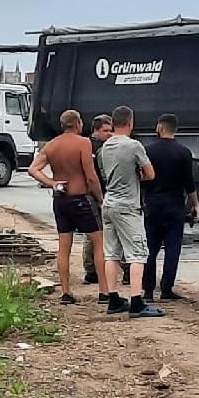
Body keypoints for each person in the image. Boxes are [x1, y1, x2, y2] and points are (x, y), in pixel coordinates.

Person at [28, 109, 106, 304]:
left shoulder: (52, 145)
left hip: (61, 199)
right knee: (98, 242)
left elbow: (33, 169)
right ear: (78, 124)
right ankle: (104, 291)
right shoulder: (83, 143)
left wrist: (51, 182)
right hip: (82, 198)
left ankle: (66, 292)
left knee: (64, 246)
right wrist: (100, 198)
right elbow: (90, 175)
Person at [95, 105, 163, 318]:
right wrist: (137, 175)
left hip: (108, 204)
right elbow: (150, 174)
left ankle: (113, 298)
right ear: (131, 122)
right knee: (137, 254)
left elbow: (105, 175)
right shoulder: (134, 146)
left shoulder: (104, 147)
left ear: (113, 123)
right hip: (127, 205)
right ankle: (136, 301)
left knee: (112, 253)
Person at [140, 113, 199, 303]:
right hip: (174, 205)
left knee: (150, 248)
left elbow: (142, 180)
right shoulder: (184, 152)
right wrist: (195, 204)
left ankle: (148, 290)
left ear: (160, 127)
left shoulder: (148, 150)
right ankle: (166, 289)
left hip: (153, 204)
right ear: (176, 129)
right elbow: (189, 183)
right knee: (173, 248)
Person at [81, 113, 114, 294]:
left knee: (94, 234)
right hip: (95, 194)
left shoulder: (94, 145)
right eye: (106, 130)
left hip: (99, 193)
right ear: (96, 130)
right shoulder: (92, 147)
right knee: (96, 234)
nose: (109, 134)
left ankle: (92, 269)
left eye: (111, 130)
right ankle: (92, 270)